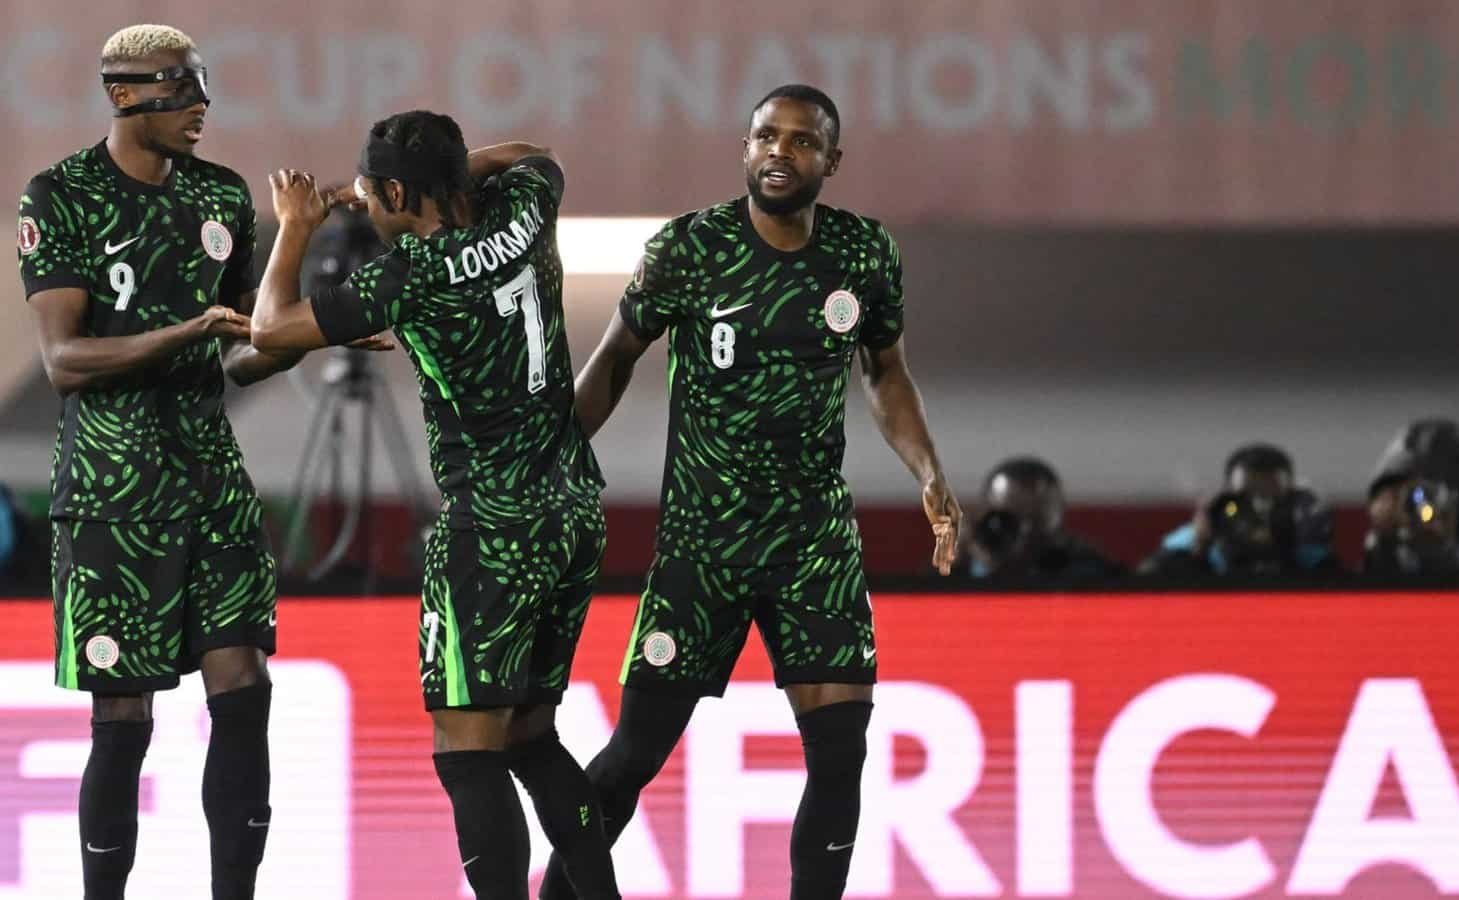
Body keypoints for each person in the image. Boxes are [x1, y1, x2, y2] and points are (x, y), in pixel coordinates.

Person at [545, 84, 962, 900]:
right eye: (766, 136)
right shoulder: (689, 249)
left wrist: (930, 472)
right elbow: (617, 357)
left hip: (813, 545)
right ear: (744, 149)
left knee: (841, 754)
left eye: (803, 142)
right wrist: (553, 460)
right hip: (703, 548)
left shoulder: (864, 254)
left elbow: (885, 373)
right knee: (634, 754)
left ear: (831, 162)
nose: (781, 151)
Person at [17, 24, 388, 900]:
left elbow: (244, 350)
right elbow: (64, 361)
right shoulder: (61, 194)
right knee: (123, 717)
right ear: (123, 95)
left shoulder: (220, 198)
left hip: (211, 477)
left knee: (244, 687)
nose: (199, 107)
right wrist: (186, 332)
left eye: (203, 88)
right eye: (180, 90)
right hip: (113, 488)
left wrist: (306, 336)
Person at [249, 112, 621, 900]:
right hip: (572, 508)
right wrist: (439, 176)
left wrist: (294, 227)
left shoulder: (410, 272)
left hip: (491, 524)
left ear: (390, 190)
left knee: (468, 751)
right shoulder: (524, 210)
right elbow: (534, 154)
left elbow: (270, 330)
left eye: (376, 195)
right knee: (531, 736)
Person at [1139, 443, 1336, 576]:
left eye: (1270, 496)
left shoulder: (1304, 542)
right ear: (1228, 493)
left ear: (1291, 496)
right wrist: (1198, 548)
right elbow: (1146, 579)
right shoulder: (1198, 534)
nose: (1259, 507)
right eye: (1247, 496)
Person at [1363, 418, 1459, 574]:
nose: (1421, 506)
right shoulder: (1379, 550)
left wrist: (1449, 561)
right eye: (1403, 494)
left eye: (1432, 495)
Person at [963, 456, 1122, 578]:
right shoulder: (959, 566)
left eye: (1037, 520)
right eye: (1008, 520)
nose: (1024, 532)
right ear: (984, 514)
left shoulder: (1088, 571)